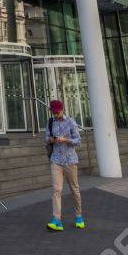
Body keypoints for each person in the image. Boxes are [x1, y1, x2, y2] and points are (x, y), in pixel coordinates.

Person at [45, 99, 84, 231]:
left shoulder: (71, 122)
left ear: (62, 110)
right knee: (56, 190)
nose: (55, 115)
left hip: (70, 161)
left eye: (57, 112)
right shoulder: (50, 122)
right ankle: (57, 220)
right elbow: (46, 138)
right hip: (56, 160)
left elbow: (78, 140)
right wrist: (51, 139)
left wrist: (66, 140)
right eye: (53, 112)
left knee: (74, 189)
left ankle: (78, 216)